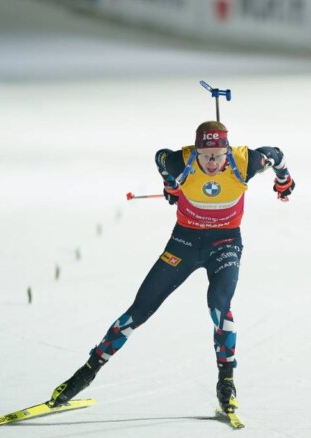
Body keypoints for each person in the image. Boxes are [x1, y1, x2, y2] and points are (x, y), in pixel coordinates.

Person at [49, 120, 295, 414]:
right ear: (196, 152)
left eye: (218, 155)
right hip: (184, 243)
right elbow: (160, 157)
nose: (212, 163)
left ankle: (226, 382)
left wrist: (284, 181)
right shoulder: (181, 161)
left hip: (225, 243)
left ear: (227, 151)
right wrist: (170, 185)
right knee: (139, 310)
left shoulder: (245, 161)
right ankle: (86, 373)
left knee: (219, 305)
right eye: (205, 156)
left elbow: (276, 154)